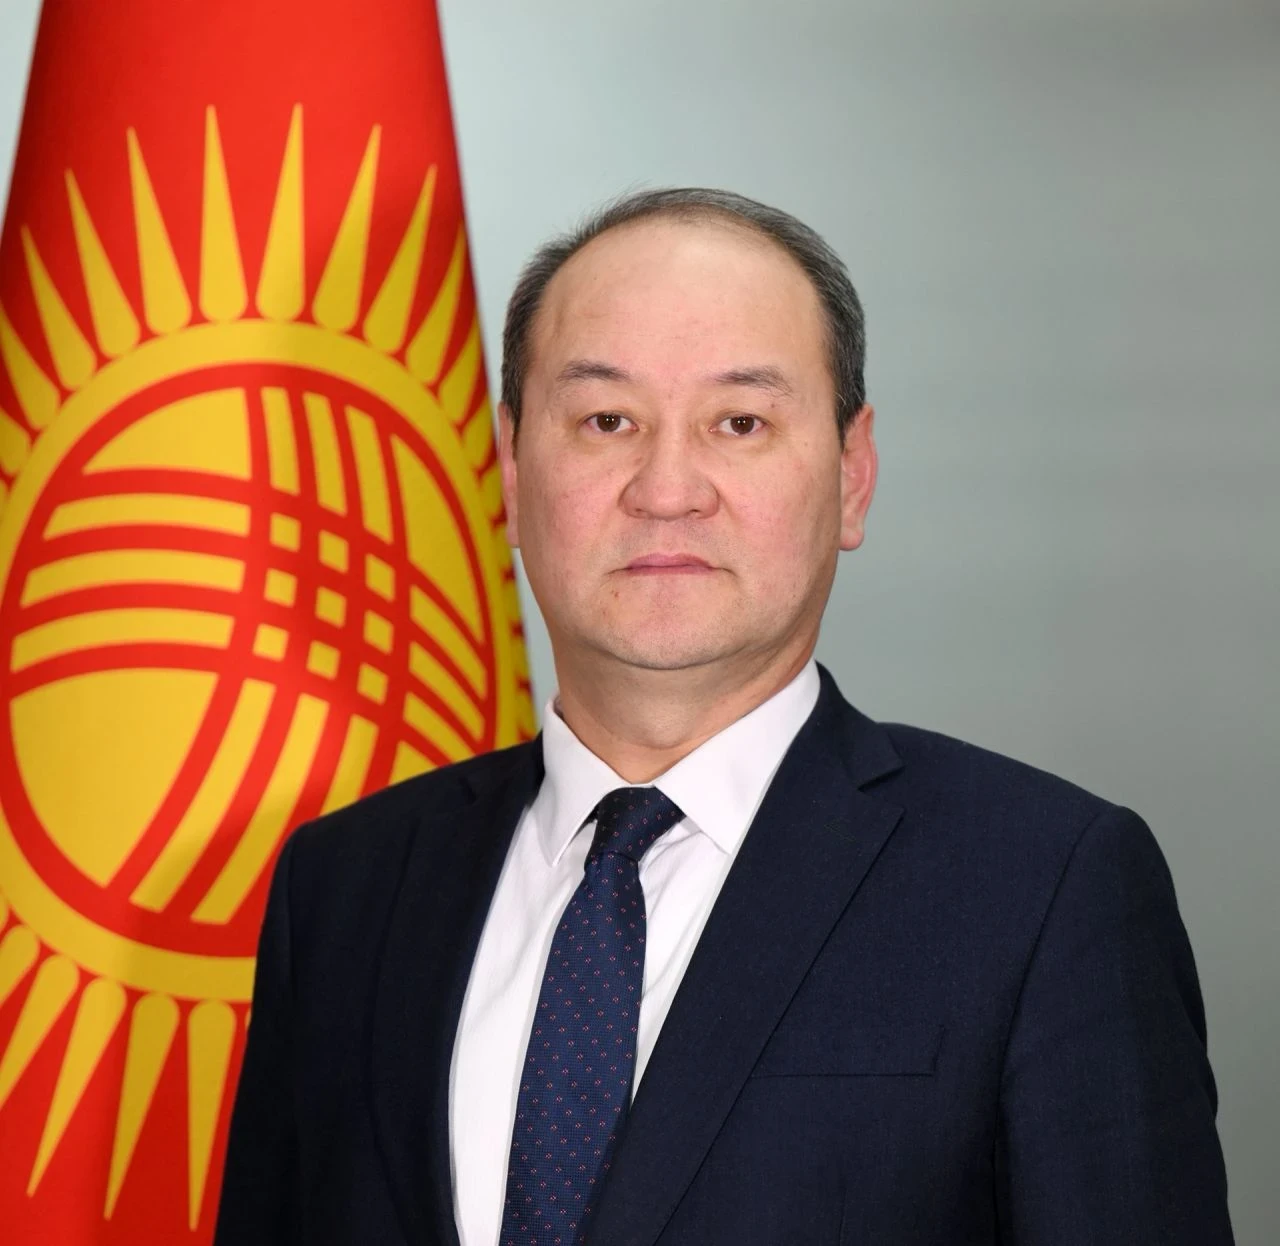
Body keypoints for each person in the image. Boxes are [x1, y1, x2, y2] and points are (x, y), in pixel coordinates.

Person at [215, 188, 1233, 1246]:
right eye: (606, 421)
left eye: (739, 423)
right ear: (511, 469)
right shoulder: (344, 889)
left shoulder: (1042, 886)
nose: (666, 489)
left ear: (852, 475)